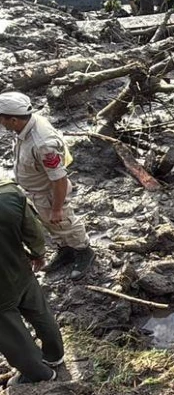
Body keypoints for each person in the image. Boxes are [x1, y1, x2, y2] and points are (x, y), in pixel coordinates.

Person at [0, 92, 94, 280]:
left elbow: (59, 179)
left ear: (13, 120)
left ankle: (84, 251)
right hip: (37, 190)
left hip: (49, 192)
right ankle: (65, 250)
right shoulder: (26, 125)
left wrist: (57, 208)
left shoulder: (43, 144)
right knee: (50, 223)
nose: (1, 123)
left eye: (2, 119)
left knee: (65, 222)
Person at [0, 179, 64, 385]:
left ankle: (38, 374)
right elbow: (32, 229)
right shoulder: (9, 193)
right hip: (20, 267)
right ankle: (55, 355)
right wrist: (37, 253)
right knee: (39, 311)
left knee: (11, 335)